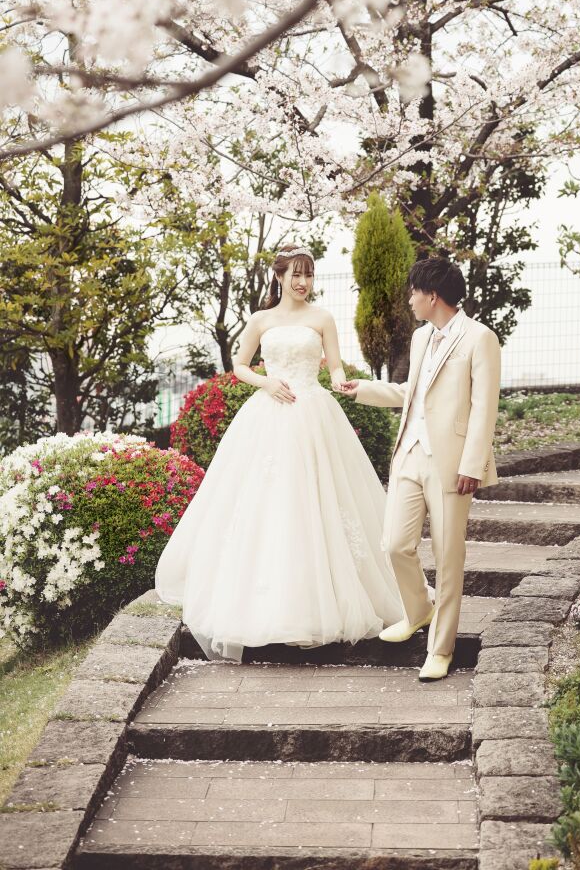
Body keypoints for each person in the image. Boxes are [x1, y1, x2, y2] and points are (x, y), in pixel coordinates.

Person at [154, 244, 403, 662]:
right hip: (271, 412)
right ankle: (266, 605)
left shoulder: (322, 318)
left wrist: (342, 381)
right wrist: (266, 383)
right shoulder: (261, 319)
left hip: (314, 413)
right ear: (280, 277)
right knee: (267, 504)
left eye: (308, 275)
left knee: (321, 501)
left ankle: (330, 600)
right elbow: (240, 365)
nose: (303, 282)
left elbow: (335, 365)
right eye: (296, 274)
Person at [337, 256, 501, 682]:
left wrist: (473, 464)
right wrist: (364, 390)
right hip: (409, 454)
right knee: (394, 543)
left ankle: (441, 648)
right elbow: (414, 393)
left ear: (433, 295)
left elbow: (484, 407)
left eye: (414, 292)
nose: (409, 299)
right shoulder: (419, 338)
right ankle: (418, 610)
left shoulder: (480, 338)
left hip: (452, 463)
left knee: (448, 557)